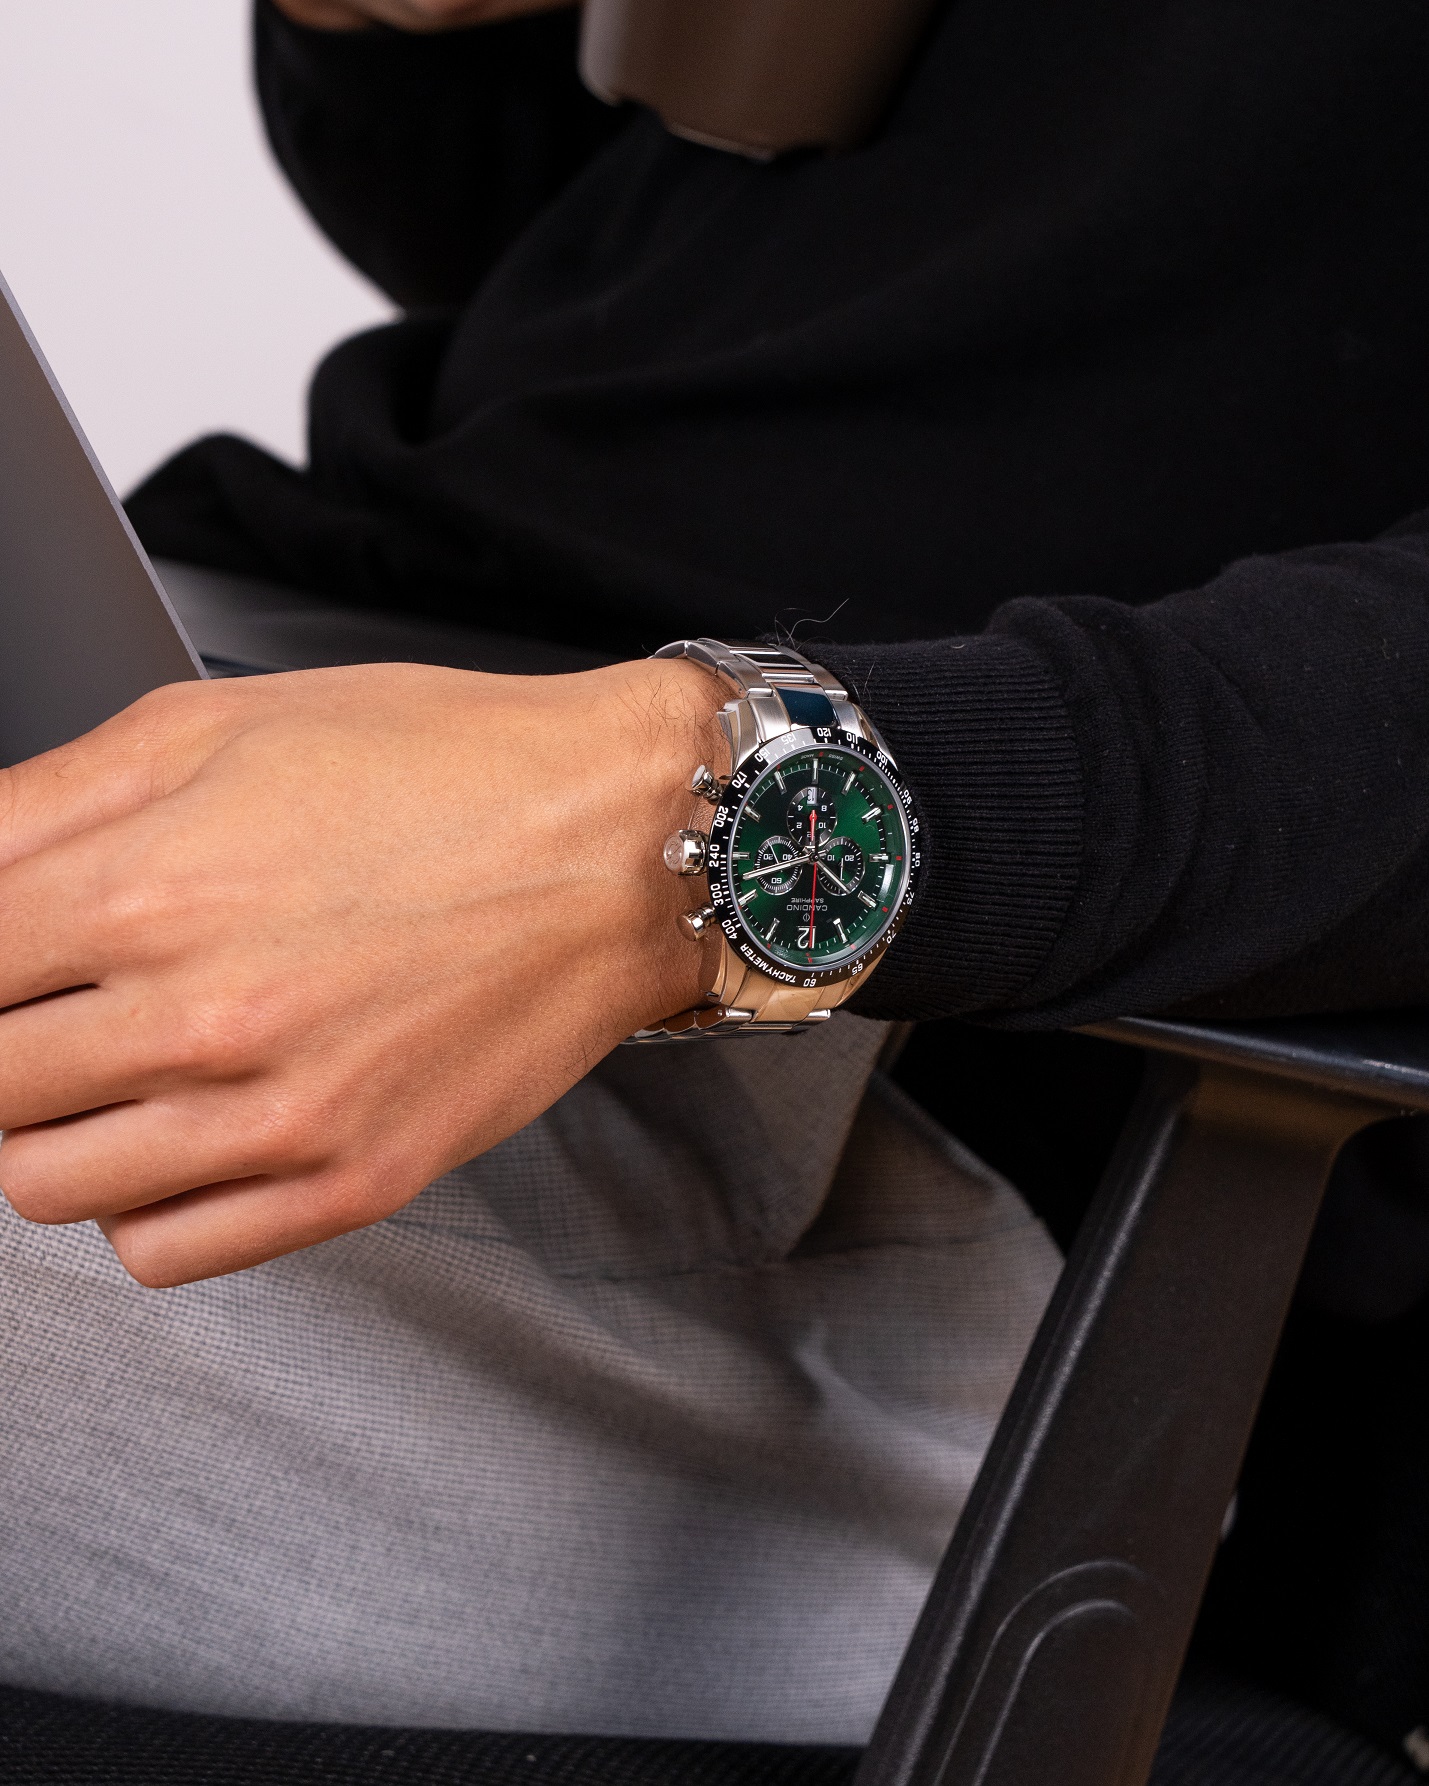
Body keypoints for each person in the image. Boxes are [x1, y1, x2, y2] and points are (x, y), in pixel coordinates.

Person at [1, 0, 1428, 1756]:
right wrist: (410, 37)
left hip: (959, 1101)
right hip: (346, 673)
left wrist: (684, 817)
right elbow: (709, 292)